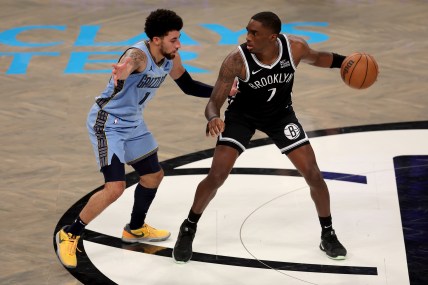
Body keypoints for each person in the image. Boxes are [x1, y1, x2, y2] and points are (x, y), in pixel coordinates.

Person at [173, 11, 349, 263]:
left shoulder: (295, 48)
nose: (248, 37)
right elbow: (214, 101)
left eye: (254, 33)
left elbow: (319, 57)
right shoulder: (237, 59)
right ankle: (188, 227)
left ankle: (328, 234)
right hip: (242, 118)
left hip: (280, 117)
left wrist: (346, 62)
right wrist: (213, 117)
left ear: (273, 37)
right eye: (247, 31)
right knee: (217, 175)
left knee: (313, 174)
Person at [55, 9, 218, 269]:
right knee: (115, 187)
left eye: (178, 38)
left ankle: (135, 228)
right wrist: (122, 72)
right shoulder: (138, 55)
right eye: (173, 39)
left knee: (153, 176)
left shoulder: (169, 57)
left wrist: (223, 93)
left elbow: (187, 85)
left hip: (133, 123)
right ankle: (71, 232)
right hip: (107, 123)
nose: (179, 44)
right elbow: (129, 63)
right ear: (156, 39)